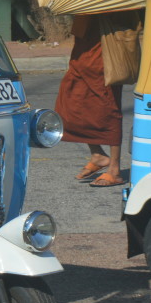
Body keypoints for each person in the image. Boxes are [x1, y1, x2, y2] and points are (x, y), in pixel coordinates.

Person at [54, 14, 125, 187]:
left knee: (108, 106)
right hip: (83, 46)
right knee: (72, 101)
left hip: (106, 45)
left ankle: (114, 170)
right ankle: (98, 155)